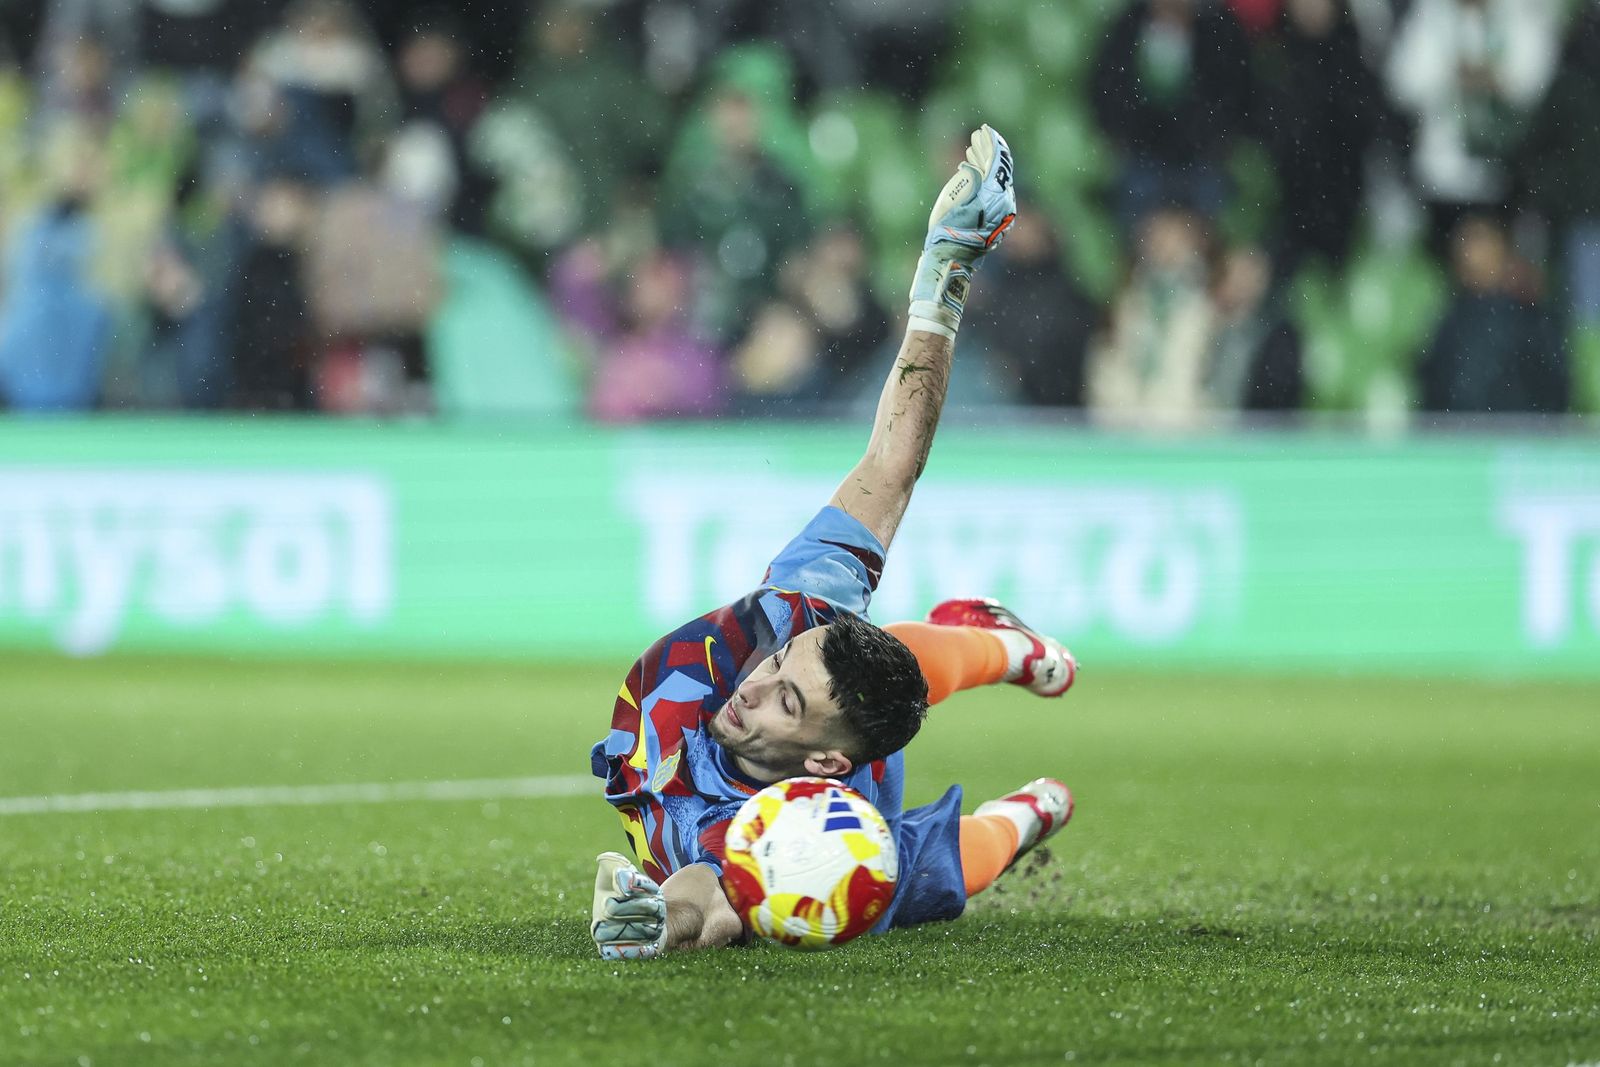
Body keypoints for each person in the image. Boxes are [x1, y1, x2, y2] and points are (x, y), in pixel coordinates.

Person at [588, 126, 1080, 959]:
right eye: (778, 668)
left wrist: (650, 921)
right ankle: (1029, 798)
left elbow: (704, 896)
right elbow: (893, 462)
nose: (757, 682)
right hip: (833, 766)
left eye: (786, 698)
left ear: (823, 762)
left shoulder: (776, 799)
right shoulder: (781, 625)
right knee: (909, 857)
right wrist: (946, 265)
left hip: (836, 780)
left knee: (888, 791)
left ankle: (1002, 698)